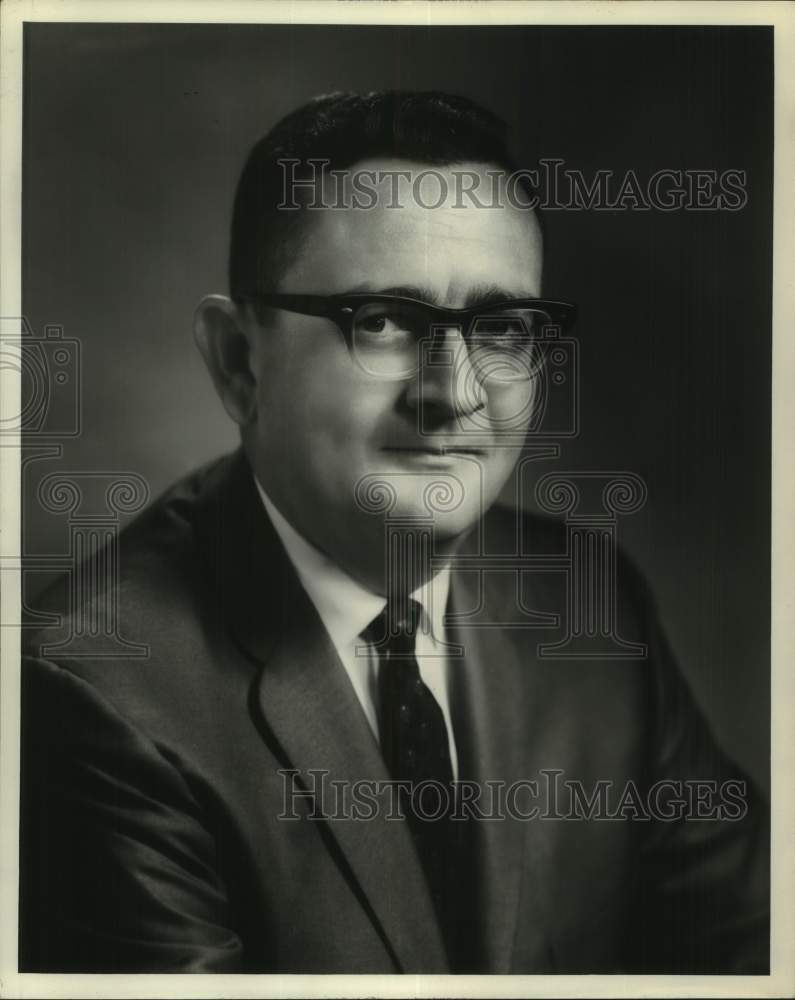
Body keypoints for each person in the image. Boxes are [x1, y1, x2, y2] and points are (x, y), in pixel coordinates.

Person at [20, 90, 768, 974]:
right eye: (380, 320)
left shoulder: (587, 605)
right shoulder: (93, 696)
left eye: (501, 327)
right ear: (237, 361)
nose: (453, 393)